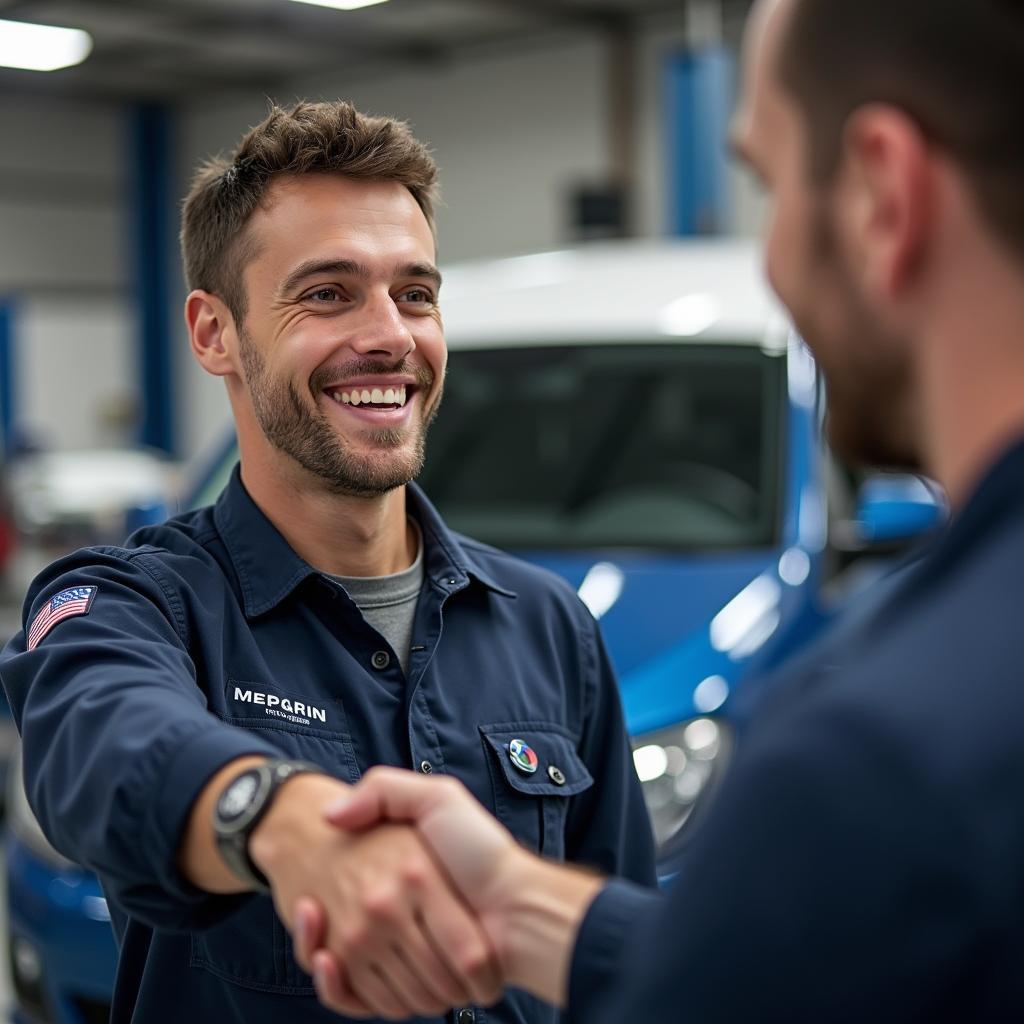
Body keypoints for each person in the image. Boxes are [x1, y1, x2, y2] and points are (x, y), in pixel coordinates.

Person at [298, 0, 1024, 1019]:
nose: (767, 256)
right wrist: (529, 912)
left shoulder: (879, 766)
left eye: (767, 184)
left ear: (879, 196)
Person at [0, 101, 655, 1024]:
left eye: (415, 294)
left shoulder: (548, 626)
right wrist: (281, 822)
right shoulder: (131, 604)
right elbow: (104, 745)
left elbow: (615, 960)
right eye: (328, 293)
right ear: (213, 333)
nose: (390, 334)